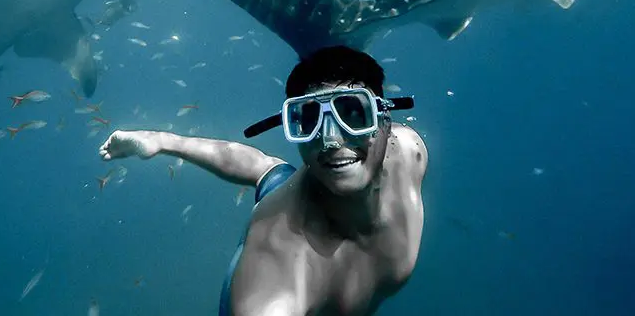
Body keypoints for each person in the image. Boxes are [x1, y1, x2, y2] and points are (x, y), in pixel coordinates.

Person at [99, 45, 428, 315]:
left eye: (354, 113)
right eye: (308, 120)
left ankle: (162, 141)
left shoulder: (410, 151)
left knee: (271, 172)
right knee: (278, 184)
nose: (331, 140)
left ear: (386, 120)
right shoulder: (277, 266)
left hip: (299, 187)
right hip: (282, 224)